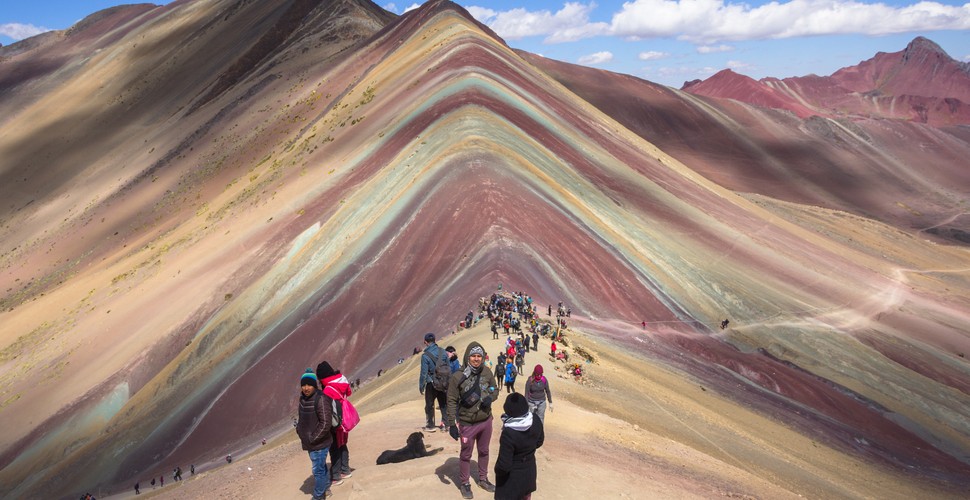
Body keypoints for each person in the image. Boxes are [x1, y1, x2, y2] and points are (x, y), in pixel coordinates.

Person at [446, 342, 498, 499]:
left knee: (484, 451)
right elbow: (451, 400)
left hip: (485, 421)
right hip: (467, 423)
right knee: (466, 454)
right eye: (473, 356)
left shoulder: (487, 372)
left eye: (479, 356)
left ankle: (483, 479)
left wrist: (491, 398)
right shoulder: (457, 377)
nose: (476, 359)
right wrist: (451, 424)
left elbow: (495, 389)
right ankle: (465, 483)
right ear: (468, 357)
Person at [494, 393, 544, 500]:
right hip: (529, 472)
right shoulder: (535, 419)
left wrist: (497, 471)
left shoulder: (509, 432)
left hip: (512, 479)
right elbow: (540, 441)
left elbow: (504, 465)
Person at [296, 368, 334, 500]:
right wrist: (299, 431)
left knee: (317, 471)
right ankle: (327, 488)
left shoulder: (321, 399)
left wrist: (313, 438)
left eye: (309, 385)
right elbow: (301, 418)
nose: (306, 388)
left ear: (314, 385)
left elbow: (325, 423)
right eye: (303, 385)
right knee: (321, 467)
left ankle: (318, 496)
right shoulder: (303, 399)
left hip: (319, 443)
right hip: (310, 442)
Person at [318, 361, 353, 486]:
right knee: (343, 443)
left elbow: (326, 407)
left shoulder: (328, 389)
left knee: (334, 447)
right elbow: (349, 392)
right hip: (344, 418)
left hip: (335, 421)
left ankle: (337, 476)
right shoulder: (342, 380)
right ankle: (346, 469)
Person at [419, 333, 448, 430]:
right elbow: (448, 367)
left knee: (429, 405)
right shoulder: (443, 352)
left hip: (431, 383)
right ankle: (446, 424)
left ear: (425, 342)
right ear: (435, 340)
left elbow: (424, 372)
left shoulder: (425, 356)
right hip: (443, 382)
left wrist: (421, 386)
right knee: (443, 403)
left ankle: (430, 425)